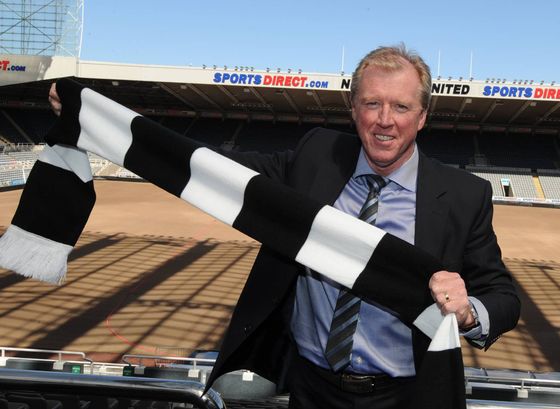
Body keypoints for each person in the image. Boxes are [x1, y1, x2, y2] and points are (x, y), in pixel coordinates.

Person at [49, 44, 520, 409]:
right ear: (352, 108)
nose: (384, 121)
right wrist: (93, 116)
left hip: (404, 394)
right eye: (371, 104)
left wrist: (469, 311)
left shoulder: (463, 195)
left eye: (400, 107)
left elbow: (503, 296)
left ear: (422, 116)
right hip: (310, 388)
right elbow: (214, 166)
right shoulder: (316, 157)